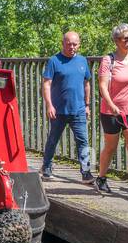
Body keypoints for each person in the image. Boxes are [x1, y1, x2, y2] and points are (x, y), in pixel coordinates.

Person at [95, 23, 128, 198]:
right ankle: (101, 178)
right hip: (111, 111)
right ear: (117, 40)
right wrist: (111, 105)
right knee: (110, 147)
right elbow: (103, 86)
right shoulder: (108, 60)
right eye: (126, 39)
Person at [40, 31, 93, 184]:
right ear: (63, 43)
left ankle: (86, 172)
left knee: (83, 141)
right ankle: (47, 167)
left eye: (74, 44)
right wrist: (49, 104)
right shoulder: (54, 61)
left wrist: (87, 105)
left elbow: (87, 84)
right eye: (68, 43)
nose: (71, 47)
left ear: (79, 44)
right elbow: (46, 84)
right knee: (53, 139)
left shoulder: (83, 61)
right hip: (58, 110)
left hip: (79, 109)